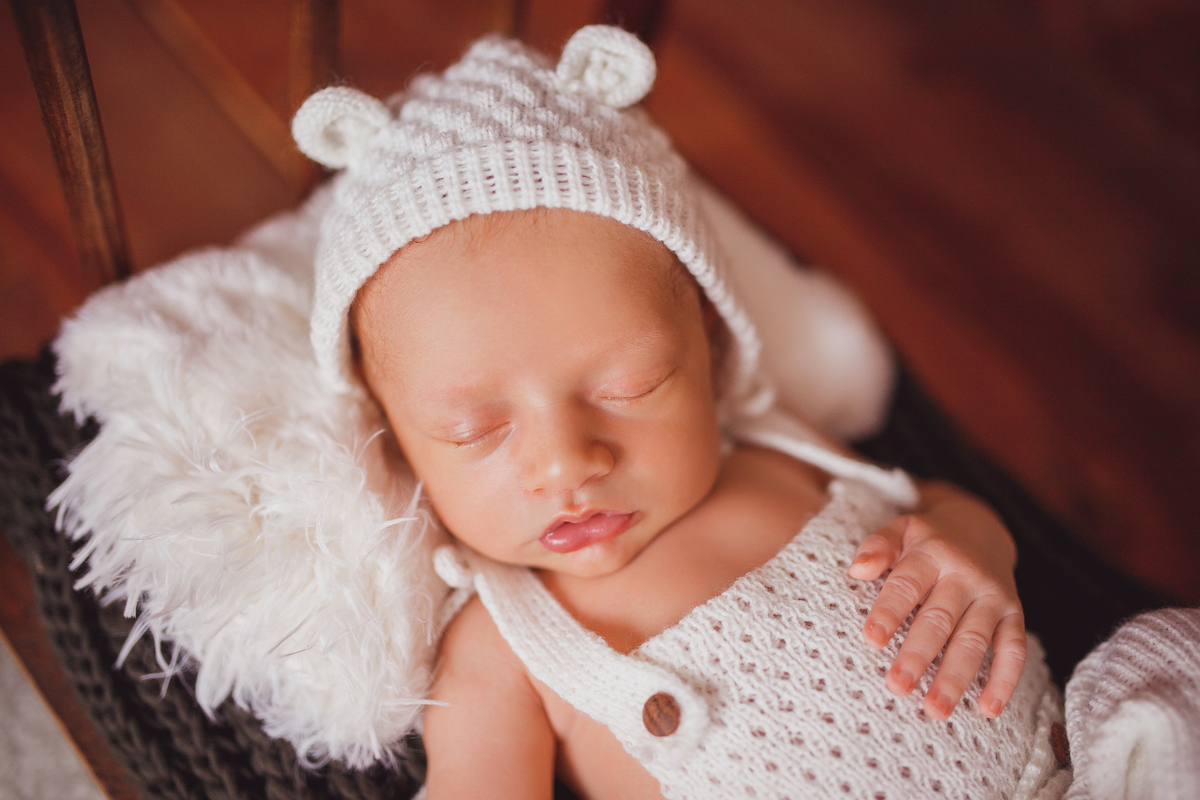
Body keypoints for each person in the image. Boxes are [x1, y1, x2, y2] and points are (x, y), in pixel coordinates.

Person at [292, 25, 1067, 800]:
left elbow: (932, 506)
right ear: (396, 442)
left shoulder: (786, 457)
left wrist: (974, 545)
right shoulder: (500, 650)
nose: (566, 462)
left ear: (712, 346)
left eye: (628, 387)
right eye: (475, 431)